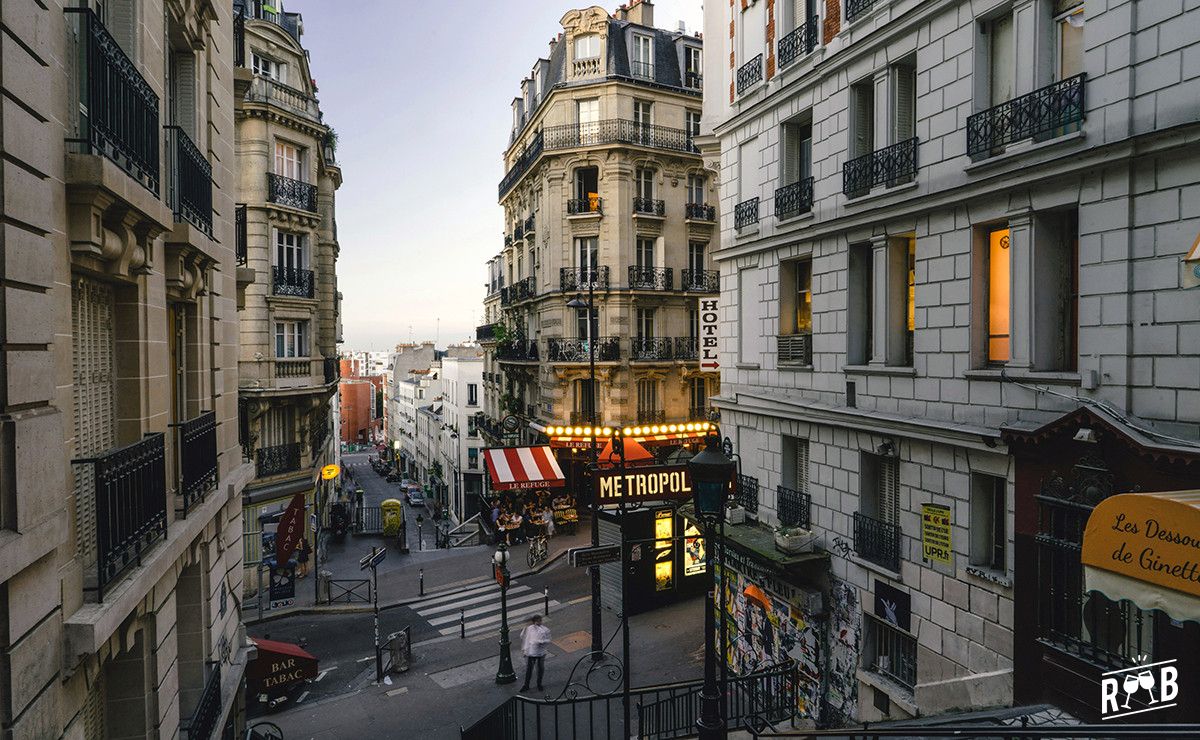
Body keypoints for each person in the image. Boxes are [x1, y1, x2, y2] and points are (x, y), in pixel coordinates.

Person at [519, 615, 551, 692]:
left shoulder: (545, 630)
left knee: (540, 669)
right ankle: (526, 685)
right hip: (531, 653)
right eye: (538, 621)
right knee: (529, 670)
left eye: (540, 621)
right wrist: (525, 650)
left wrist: (541, 642)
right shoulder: (529, 629)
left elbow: (548, 640)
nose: (539, 622)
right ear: (534, 622)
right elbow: (524, 637)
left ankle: (539, 684)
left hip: (540, 653)